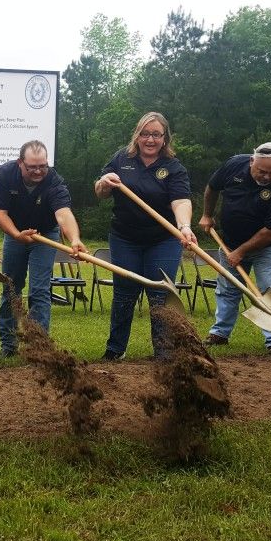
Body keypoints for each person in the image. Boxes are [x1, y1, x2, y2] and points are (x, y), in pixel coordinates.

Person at [94, 112, 198, 361]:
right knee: (124, 291)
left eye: (156, 134)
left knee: (160, 293)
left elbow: (181, 200)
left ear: (165, 138)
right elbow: (100, 191)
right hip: (125, 238)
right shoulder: (122, 158)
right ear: (137, 135)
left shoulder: (173, 167)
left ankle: (163, 352)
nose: (150, 139)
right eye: (145, 133)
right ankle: (115, 349)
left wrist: (184, 226)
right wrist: (105, 182)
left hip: (162, 240)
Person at [198, 141, 271, 354]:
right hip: (230, 242)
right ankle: (220, 333)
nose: (266, 177)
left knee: (268, 290)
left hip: (269, 247)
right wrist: (207, 215)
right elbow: (212, 187)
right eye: (262, 171)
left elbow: (270, 231)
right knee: (227, 288)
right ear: (251, 161)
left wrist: (241, 253)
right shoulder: (235, 165)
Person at [0, 140, 86, 357]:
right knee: (10, 288)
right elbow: (0, 213)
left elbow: (63, 213)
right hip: (15, 232)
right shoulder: (6, 174)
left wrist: (74, 239)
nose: (38, 171)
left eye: (42, 166)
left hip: (45, 235)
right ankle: (8, 346)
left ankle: (39, 348)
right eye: (32, 167)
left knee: (39, 290)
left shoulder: (54, 181)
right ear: (20, 163)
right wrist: (16, 235)